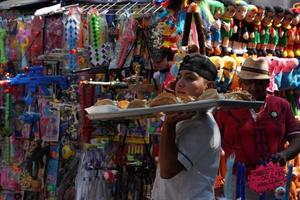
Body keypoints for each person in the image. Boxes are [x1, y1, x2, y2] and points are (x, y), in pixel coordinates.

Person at [214, 57, 300, 199]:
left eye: (259, 82)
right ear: (240, 82)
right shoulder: (226, 107)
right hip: (237, 178)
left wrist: (285, 154)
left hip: (272, 178)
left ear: (267, 82)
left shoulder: (281, 105)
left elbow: (297, 137)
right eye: (248, 82)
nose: (253, 87)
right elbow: (210, 140)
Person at [151, 53, 221, 200]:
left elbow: (168, 170)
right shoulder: (184, 117)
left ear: (209, 87)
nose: (180, 84)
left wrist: (169, 125)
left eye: (190, 78)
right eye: (179, 77)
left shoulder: (203, 124)